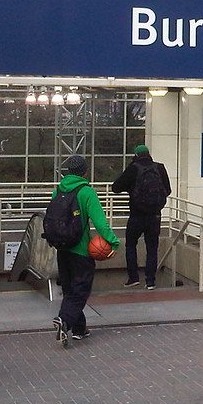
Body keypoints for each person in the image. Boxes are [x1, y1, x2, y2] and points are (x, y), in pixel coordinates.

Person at [52, 155, 120, 346]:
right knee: (80, 290)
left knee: (69, 289)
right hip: (81, 251)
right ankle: (64, 320)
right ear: (85, 171)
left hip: (62, 248)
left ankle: (79, 329)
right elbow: (100, 222)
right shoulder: (86, 192)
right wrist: (113, 242)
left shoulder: (57, 190)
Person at [112, 144, 172, 289]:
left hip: (136, 215)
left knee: (131, 245)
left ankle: (133, 278)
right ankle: (150, 281)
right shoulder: (160, 168)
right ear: (148, 154)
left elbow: (116, 188)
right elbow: (168, 190)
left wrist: (132, 190)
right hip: (155, 215)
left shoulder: (134, 168)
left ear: (136, 155)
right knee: (152, 247)